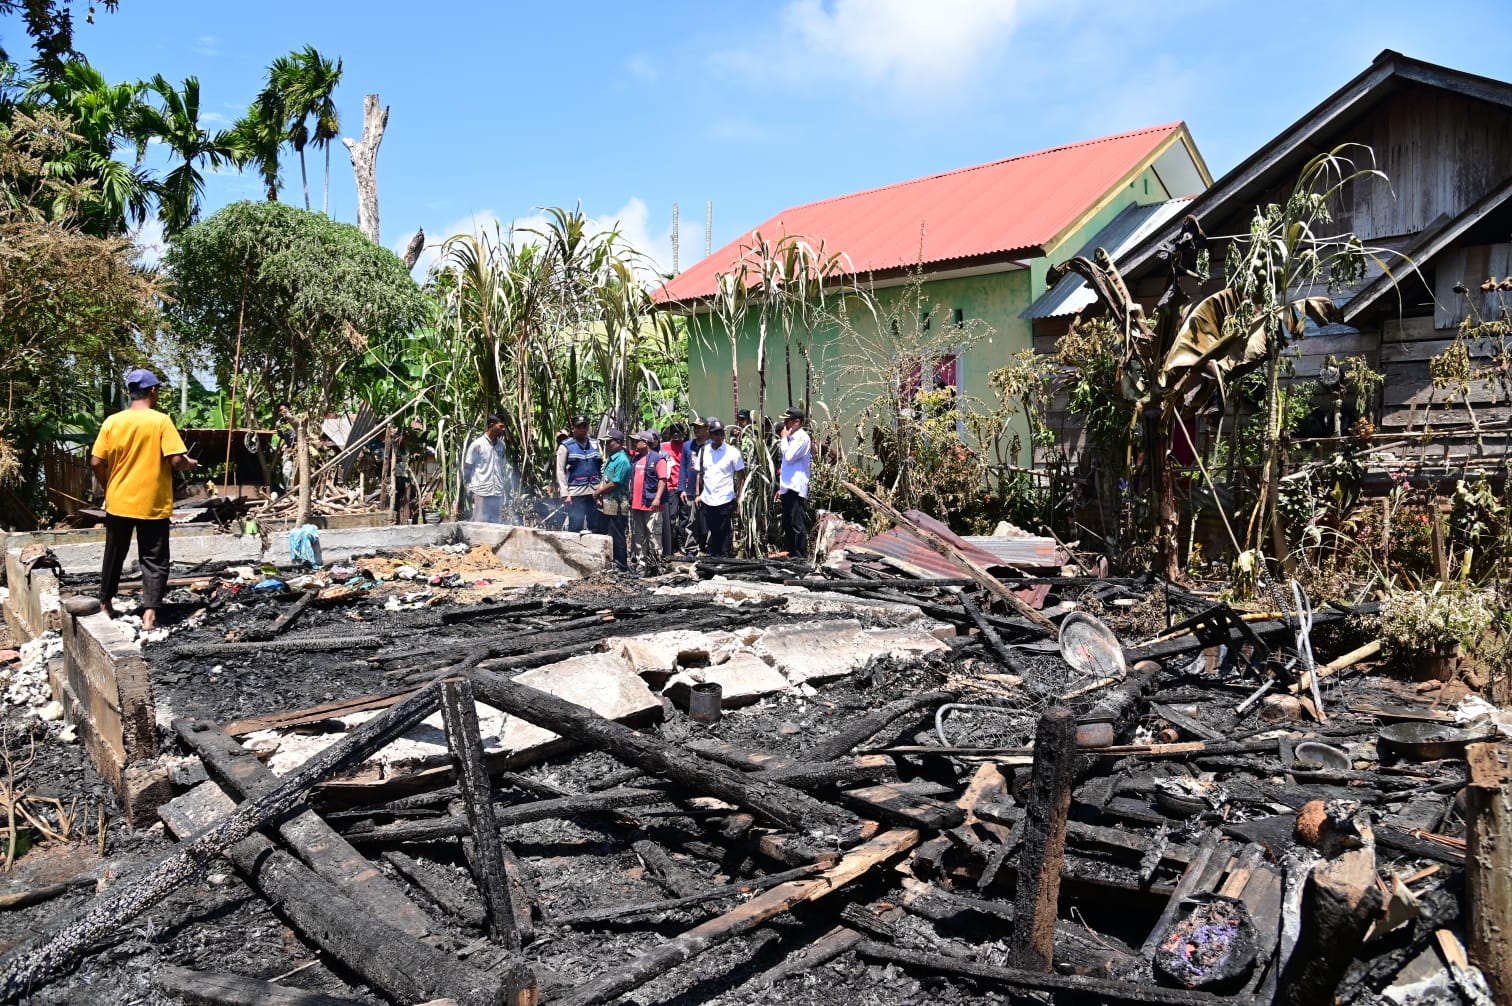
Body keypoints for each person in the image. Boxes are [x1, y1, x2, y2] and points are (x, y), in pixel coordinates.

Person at [89, 369, 200, 631]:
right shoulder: (160, 421)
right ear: (152, 391)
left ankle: (105, 603)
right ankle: (149, 614)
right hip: (152, 503)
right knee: (154, 558)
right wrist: (190, 463)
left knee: (114, 554)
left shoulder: (112, 422)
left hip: (118, 503)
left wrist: (110, 487)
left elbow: (96, 461)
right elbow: (176, 460)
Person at [693, 418, 745, 558]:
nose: (719, 436)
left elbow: (741, 475)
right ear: (710, 434)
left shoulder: (732, 452)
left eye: (721, 433)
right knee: (711, 529)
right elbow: (699, 474)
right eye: (716, 433)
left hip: (725, 498)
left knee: (724, 530)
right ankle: (714, 557)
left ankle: (725, 557)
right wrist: (698, 494)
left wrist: (739, 497)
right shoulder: (704, 451)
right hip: (707, 498)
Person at [628, 430, 668, 575]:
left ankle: (657, 567)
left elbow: (663, 479)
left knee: (654, 536)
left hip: (652, 505)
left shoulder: (658, 459)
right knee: (639, 537)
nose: (634, 443)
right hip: (637, 505)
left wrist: (657, 498)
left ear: (644, 443)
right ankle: (641, 565)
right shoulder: (636, 459)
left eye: (636, 441)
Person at [555, 415, 602, 532]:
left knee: (596, 525)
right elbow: (560, 471)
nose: (582, 429)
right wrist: (565, 494)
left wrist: (601, 490)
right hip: (576, 494)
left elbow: (602, 467)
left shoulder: (595, 444)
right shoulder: (566, 446)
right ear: (573, 429)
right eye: (579, 427)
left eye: (584, 426)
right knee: (576, 525)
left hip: (594, 492)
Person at [776, 407, 812, 558]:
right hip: (787, 487)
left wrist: (783, 438)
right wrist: (781, 488)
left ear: (797, 422)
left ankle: (799, 557)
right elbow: (787, 467)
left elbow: (790, 456)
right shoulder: (791, 438)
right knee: (787, 523)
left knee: (797, 524)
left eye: (787, 421)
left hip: (796, 488)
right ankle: (791, 554)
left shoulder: (802, 438)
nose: (785, 424)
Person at [462, 414, 512, 523]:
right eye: (500, 426)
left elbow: (502, 466)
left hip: (496, 490)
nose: (503, 429)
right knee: (479, 521)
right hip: (481, 490)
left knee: (495, 522)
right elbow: (468, 467)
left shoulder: (502, 445)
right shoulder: (477, 445)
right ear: (491, 426)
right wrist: (470, 487)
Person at [593, 430, 630, 570]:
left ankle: (622, 566)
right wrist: (600, 496)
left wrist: (598, 492)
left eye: (610, 442)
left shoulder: (622, 460)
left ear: (619, 443)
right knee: (606, 532)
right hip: (607, 503)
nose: (607, 445)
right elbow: (605, 478)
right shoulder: (612, 458)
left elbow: (615, 483)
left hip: (617, 504)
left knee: (617, 535)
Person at [678, 417, 710, 556]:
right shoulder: (687, 446)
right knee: (691, 521)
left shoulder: (711, 445)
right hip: (690, 490)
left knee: (708, 521)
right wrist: (682, 489)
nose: (697, 430)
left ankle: (708, 549)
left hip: (708, 491)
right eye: (695, 427)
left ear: (706, 429)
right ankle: (690, 548)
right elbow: (683, 468)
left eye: (700, 427)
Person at [660, 422, 685, 559]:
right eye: (674, 432)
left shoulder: (686, 447)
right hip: (670, 487)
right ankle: (670, 545)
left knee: (685, 518)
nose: (676, 435)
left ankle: (681, 544)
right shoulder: (664, 447)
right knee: (670, 518)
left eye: (679, 432)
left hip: (684, 487)